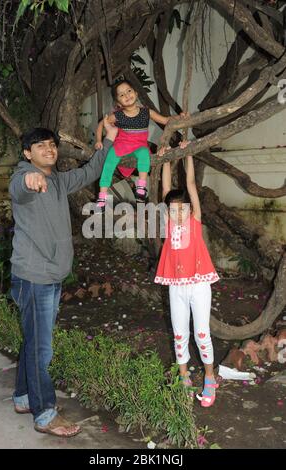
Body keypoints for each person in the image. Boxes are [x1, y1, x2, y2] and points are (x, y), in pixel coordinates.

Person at [9, 117, 118, 436]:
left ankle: (23, 396)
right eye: (40, 146)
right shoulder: (23, 177)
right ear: (27, 153)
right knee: (42, 348)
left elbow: (91, 171)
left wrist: (109, 139)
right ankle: (44, 414)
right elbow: (21, 186)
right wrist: (30, 180)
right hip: (33, 277)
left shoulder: (57, 181)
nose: (49, 150)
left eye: (52, 145)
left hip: (51, 275)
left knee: (33, 339)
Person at [154, 155, 220, 407]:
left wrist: (188, 154)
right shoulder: (169, 223)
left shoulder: (195, 221)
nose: (178, 212)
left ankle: (210, 379)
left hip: (199, 284)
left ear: (191, 209)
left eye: (182, 208)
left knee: (202, 334)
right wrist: (167, 160)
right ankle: (183, 377)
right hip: (176, 286)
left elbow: (190, 183)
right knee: (180, 334)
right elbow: (166, 188)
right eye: (173, 208)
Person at [94, 78, 179, 212]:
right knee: (108, 163)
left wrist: (180, 117)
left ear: (136, 93)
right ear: (118, 102)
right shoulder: (118, 115)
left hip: (139, 146)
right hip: (120, 147)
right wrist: (98, 140)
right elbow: (100, 124)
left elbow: (165, 120)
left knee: (145, 153)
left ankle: (141, 186)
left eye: (129, 91)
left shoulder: (146, 112)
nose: (127, 95)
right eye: (122, 94)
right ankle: (102, 196)